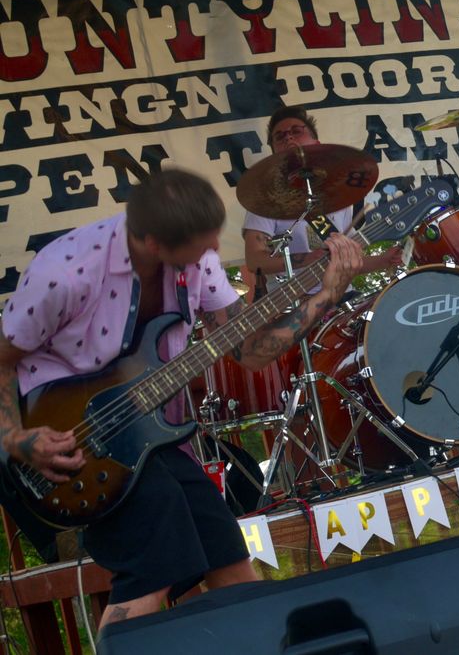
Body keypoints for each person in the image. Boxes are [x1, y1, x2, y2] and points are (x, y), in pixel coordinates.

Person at [0, 168, 363, 630]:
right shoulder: (65, 272)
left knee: (225, 552)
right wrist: (17, 439)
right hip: (77, 445)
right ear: (153, 243)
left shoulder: (198, 261)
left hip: (147, 435)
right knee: (152, 572)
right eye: (200, 245)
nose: (211, 253)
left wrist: (327, 293)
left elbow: (251, 351)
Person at [241, 106, 404, 288]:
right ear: (274, 154)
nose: (288, 138)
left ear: (317, 144)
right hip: (291, 299)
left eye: (296, 131)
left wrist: (383, 260)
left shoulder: (340, 194)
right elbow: (255, 261)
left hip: (341, 296)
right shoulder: (265, 199)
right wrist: (308, 259)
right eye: (280, 137)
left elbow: (345, 261)